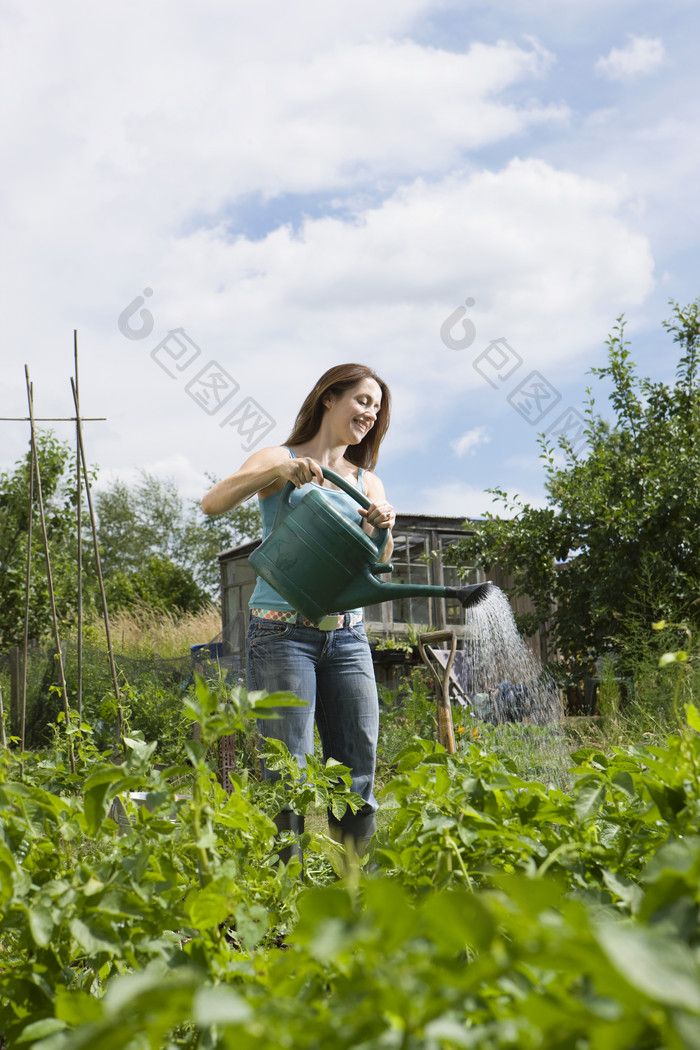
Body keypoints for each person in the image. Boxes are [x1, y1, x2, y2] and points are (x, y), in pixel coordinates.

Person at [201, 363, 395, 861]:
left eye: (376, 408)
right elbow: (213, 502)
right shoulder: (279, 457)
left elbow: (379, 561)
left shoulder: (366, 482)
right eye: (362, 401)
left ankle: (354, 892)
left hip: (348, 638)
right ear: (330, 398)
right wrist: (277, 473)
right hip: (281, 637)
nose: (370, 414)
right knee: (287, 771)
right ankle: (285, 903)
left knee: (357, 769)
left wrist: (381, 528)